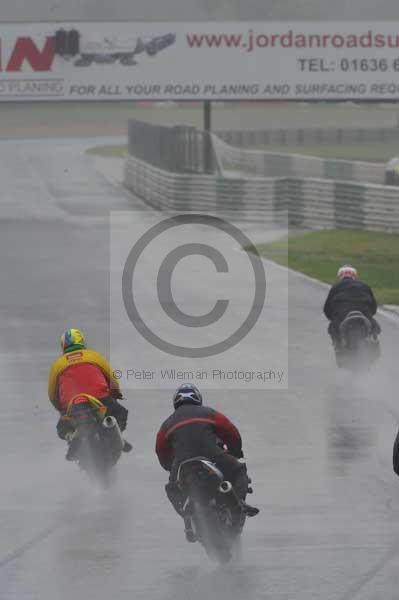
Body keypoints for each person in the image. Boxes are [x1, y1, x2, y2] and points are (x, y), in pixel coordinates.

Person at [155, 383, 259, 542]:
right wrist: (236, 452)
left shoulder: (166, 424)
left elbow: (161, 451)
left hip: (182, 465)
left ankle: (186, 517)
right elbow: (231, 432)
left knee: (172, 488)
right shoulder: (209, 413)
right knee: (239, 469)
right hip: (213, 456)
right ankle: (241, 503)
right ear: (197, 398)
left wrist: (170, 467)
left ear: (176, 402)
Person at [48, 328, 131, 460]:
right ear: (81, 341)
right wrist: (115, 394)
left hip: (71, 404)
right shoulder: (93, 356)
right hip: (100, 398)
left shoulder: (58, 364)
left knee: (62, 427)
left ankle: (72, 437)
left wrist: (61, 409)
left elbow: (52, 393)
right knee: (121, 412)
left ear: (63, 345)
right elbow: (112, 378)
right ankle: (117, 434)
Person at [323, 265, 381, 348]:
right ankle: (373, 339)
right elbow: (373, 307)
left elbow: (327, 309)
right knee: (374, 326)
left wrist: (332, 317)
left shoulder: (335, 287)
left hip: (342, 315)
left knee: (333, 328)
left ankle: (338, 344)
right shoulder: (364, 285)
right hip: (363, 312)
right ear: (355, 276)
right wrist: (369, 314)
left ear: (340, 276)